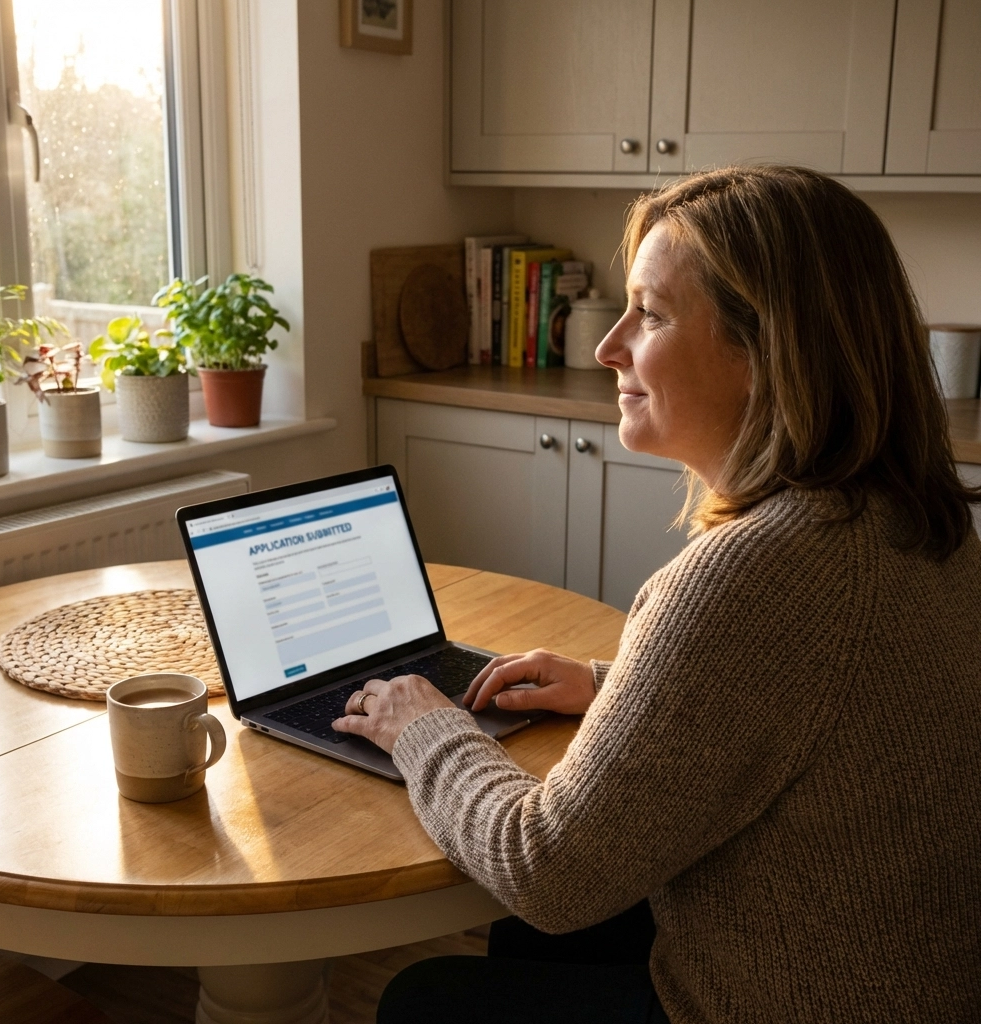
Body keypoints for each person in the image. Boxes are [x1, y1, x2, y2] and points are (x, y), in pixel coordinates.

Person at [332, 165, 981, 1024]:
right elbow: (826, 711)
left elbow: (543, 869)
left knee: (426, 999)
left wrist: (424, 728)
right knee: (550, 937)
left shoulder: (758, 571)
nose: (609, 348)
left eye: (652, 314)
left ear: (765, 350)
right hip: (916, 978)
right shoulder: (910, 515)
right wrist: (614, 686)